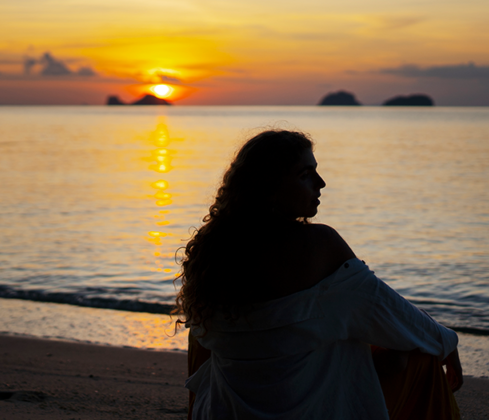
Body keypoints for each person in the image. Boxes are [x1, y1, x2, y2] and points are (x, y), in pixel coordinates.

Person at [174, 129, 462, 420]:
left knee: (202, 338)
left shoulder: (213, 251)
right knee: (416, 350)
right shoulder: (318, 245)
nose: (321, 183)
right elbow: (395, 314)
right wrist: (447, 342)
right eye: (305, 175)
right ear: (270, 186)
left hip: (224, 409)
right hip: (312, 409)